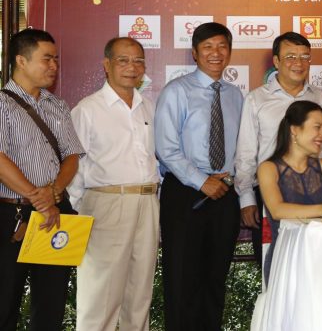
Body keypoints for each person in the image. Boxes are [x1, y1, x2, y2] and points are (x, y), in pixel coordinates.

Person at [154, 22, 244, 331]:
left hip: (224, 193)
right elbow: (166, 148)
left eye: (222, 46)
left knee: (215, 279)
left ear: (229, 52)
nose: (215, 53)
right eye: (207, 47)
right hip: (185, 193)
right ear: (195, 53)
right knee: (182, 279)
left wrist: (227, 180)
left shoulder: (235, 96)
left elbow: (241, 148)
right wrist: (201, 180)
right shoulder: (177, 91)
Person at [69, 37, 160, 330]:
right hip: (106, 203)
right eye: (123, 60)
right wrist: (71, 214)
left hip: (148, 202)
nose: (132, 67)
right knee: (101, 295)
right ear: (106, 65)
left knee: (140, 294)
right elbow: (74, 165)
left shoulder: (148, 107)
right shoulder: (88, 109)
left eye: (138, 61)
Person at [235, 32, 322, 270]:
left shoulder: (320, 97)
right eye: (291, 57)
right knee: (276, 265)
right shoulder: (256, 99)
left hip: (317, 189)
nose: (299, 63)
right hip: (271, 192)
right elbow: (245, 155)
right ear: (276, 61)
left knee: (319, 267)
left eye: (305, 57)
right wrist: (247, 199)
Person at [0, 29, 84, 330]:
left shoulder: (57, 105)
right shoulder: (2, 104)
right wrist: (39, 197)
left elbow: (72, 156)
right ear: (21, 61)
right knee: (5, 302)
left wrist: (53, 192)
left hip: (56, 211)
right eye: (46, 59)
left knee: (51, 303)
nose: (54, 66)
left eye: (56, 59)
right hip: (12, 214)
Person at [257, 100, 322, 284]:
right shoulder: (268, 168)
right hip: (286, 260)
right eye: (317, 128)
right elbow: (277, 210)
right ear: (294, 130)